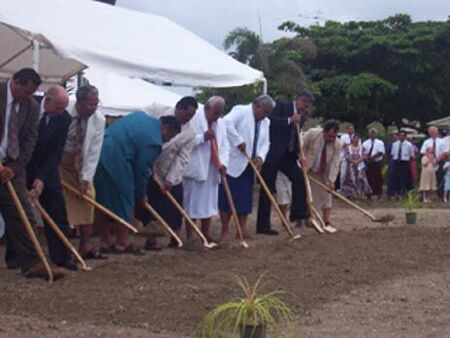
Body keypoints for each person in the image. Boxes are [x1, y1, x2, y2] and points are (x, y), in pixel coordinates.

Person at [0, 68, 64, 279]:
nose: (29, 97)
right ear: (15, 83)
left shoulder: (32, 107)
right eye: (27, 92)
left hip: (12, 165)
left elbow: (29, 141)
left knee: (22, 214)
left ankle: (33, 263)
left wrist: (14, 168)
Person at [95, 113, 181, 254]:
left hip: (99, 152)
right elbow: (141, 170)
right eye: (169, 137)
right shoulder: (153, 141)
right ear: (165, 128)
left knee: (102, 199)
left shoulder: (140, 116)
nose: (166, 141)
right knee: (127, 200)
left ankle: (105, 241)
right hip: (117, 159)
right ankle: (121, 243)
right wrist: (141, 194)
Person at [137, 96, 199, 251]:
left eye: (192, 116)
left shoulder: (190, 132)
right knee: (150, 204)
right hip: (149, 165)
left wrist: (170, 179)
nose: (188, 119)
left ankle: (176, 238)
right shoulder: (157, 109)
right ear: (178, 108)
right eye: (187, 114)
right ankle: (151, 240)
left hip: (170, 169)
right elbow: (140, 121)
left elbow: (182, 158)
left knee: (175, 204)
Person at [26, 86, 76, 270]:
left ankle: (62, 256)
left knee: (57, 211)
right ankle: (17, 256)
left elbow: (56, 152)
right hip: (21, 166)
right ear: (47, 101)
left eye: (64, 107)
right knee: (18, 212)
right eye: (58, 107)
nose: (61, 111)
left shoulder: (64, 119)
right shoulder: (29, 107)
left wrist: (42, 178)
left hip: (47, 169)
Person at [256, 90, 314, 235]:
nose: (305, 109)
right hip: (272, 153)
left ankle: (297, 213)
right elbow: (270, 122)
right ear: (299, 100)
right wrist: (289, 120)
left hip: (288, 155)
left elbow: (294, 136)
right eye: (304, 105)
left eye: (307, 107)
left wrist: (299, 153)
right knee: (267, 188)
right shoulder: (282, 106)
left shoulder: (302, 116)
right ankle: (263, 226)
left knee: (299, 176)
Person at [59, 85, 106, 260]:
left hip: (82, 163)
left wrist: (86, 178)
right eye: (90, 104)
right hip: (61, 161)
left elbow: (94, 151)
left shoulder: (99, 119)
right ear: (79, 101)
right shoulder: (64, 110)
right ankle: (63, 247)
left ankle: (85, 245)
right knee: (61, 203)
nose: (93, 108)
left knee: (88, 198)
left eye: (96, 104)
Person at [219, 95, 274, 241]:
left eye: (269, 113)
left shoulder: (266, 122)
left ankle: (241, 229)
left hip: (250, 164)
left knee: (245, 200)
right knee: (227, 198)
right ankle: (225, 230)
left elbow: (266, 143)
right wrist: (238, 141)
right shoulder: (241, 111)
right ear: (257, 106)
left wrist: (261, 157)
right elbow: (226, 123)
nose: (266, 115)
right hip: (234, 161)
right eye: (265, 111)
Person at [183, 96, 229, 242]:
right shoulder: (194, 118)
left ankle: (206, 233)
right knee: (192, 203)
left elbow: (225, 145)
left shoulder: (220, 123)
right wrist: (202, 137)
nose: (217, 116)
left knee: (208, 203)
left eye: (220, 113)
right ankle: (190, 235)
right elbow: (184, 141)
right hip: (196, 166)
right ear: (207, 108)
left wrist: (223, 163)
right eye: (215, 113)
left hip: (213, 167)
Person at [303, 120, 342, 232]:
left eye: (334, 136)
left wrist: (331, 180)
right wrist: (302, 158)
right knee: (311, 196)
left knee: (327, 194)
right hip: (309, 169)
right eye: (329, 136)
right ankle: (310, 218)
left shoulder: (338, 144)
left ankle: (326, 221)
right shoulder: (312, 134)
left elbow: (335, 163)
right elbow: (301, 147)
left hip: (325, 172)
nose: (331, 139)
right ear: (323, 131)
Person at [341, 134, 372, 198]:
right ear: (352, 140)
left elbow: (364, 155)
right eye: (355, 139)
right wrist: (353, 161)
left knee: (361, 178)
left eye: (357, 139)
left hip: (360, 165)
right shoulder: (348, 147)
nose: (356, 141)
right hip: (351, 166)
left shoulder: (361, 147)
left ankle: (364, 193)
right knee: (350, 179)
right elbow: (347, 156)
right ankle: (349, 194)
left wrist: (358, 161)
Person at [420, 126, 448, 198]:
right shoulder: (426, 142)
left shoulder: (442, 141)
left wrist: (437, 160)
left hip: (440, 161)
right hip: (429, 162)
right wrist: (430, 159)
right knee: (427, 178)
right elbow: (423, 152)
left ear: (437, 132)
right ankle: (425, 196)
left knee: (441, 178)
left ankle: (441, 195)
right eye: (431, 133)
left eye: (434, 132)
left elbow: (445, 152)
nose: (432, 134)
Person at [362, 128, 385, 199]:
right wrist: (367, 157)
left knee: (378, 178)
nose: (372, 135)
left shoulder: (380, 142)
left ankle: (379, 194)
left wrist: (373, 157)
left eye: (373, 133)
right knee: (368, 178)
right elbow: (363, 152)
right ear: (369, 134)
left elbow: (381, 152)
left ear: (376, 134)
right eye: (371, 133)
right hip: (368, 163)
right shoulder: (365, 143)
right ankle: (368, 194)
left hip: (377, 162)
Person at [390, 130, 415, 197]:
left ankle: (404, 192)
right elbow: (393, 154)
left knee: (405, 178)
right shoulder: (395, 144)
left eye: (403, 136)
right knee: (396, 178)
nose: (401, 137)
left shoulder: (409, 145)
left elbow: (411, 155)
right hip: (396, 162)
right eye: (400, 135)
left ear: (405, 137)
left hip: (405, 162)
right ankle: (397, 192)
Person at [339, 124, 357, 189]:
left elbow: (358, 146)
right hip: (344, 158)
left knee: (353, 176)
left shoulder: (356, 137)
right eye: (349, 129)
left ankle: (352, 191)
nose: (351, 130)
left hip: (353, 159)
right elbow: (341, 145)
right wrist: (349, 144)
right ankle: (342, 189)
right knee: (343, 175)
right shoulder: (343, 137)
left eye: (352, 129)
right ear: (347, 130)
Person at [386, 132, 399, 198]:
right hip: (392, 162)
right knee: (391, 178)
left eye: (396, 137)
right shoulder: (390, 144)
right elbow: (388, 153)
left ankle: (398, 193)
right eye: (394, 137)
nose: (395, 138)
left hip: (400, 163)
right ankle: (390, 193)